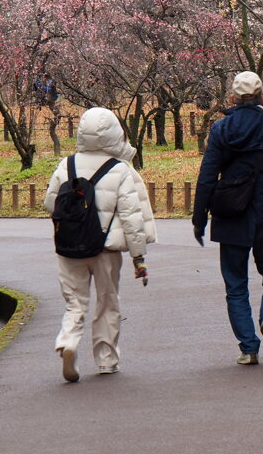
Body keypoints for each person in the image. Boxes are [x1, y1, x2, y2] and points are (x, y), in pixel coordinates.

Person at [192, 71, 263, 366]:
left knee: (236, 284)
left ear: (232, 99)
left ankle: (248, 347)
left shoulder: (220, 131)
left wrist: (199, 218)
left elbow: (206, 178)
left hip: (231, 216)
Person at [44, 107, 155, 382]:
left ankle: (68, 342)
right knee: (107, 302)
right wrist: (138, 258)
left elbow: (50, 203)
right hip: (105, 250)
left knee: (74, 303)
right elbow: (132, 218)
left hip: (69, 247)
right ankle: (106, 360)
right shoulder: (119, 170)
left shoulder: (66, 165)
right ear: (115, 134)